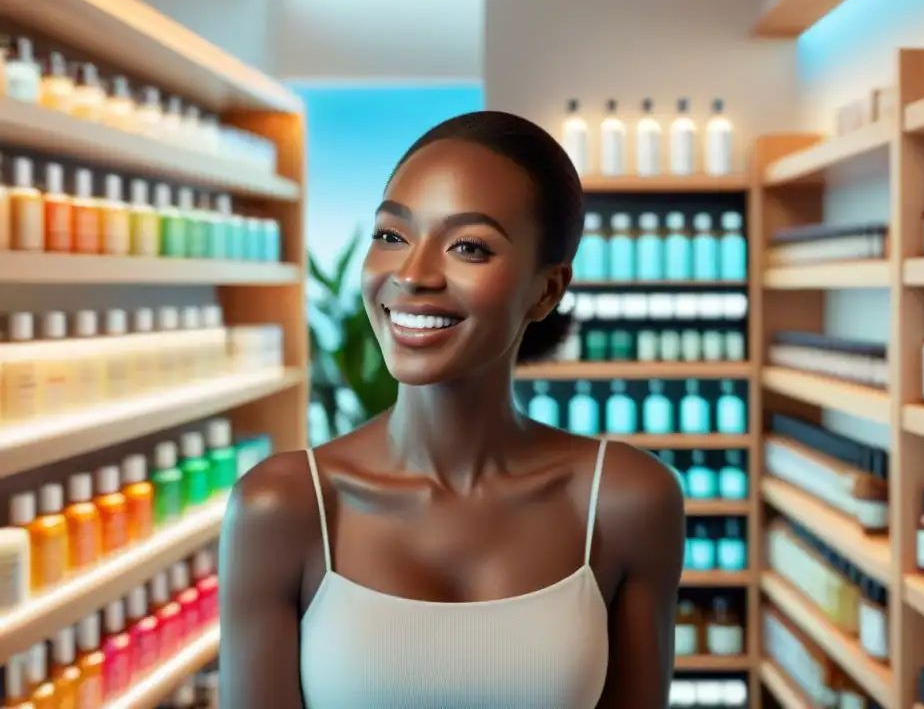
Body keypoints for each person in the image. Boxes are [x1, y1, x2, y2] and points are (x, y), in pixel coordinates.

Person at [219, 110, 686, 708]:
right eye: (392, 236)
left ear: (545, 291)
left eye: (469, 246)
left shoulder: (626, 502)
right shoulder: (283, 508)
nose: (413, 275)